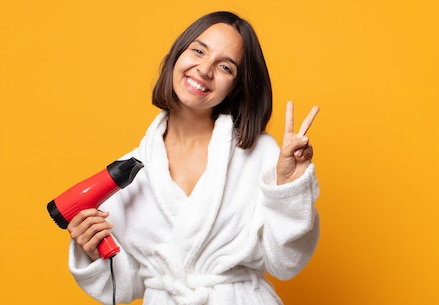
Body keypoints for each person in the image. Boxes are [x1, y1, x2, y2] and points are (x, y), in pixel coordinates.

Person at [65, 11, 320, 305]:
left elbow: (287, 263)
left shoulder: (261, 154)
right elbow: (123, 286)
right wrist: (92, 249)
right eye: (198, 51)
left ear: (235, 87)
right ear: (177, 55)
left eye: (225, 67)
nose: (205, 69)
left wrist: (289, 189)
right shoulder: (126, 173)